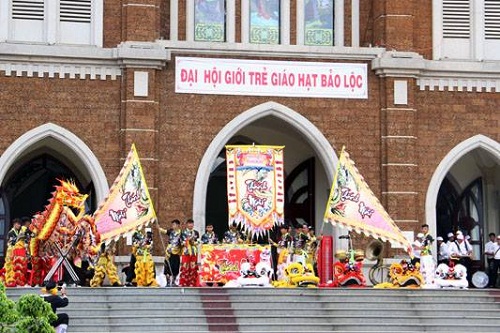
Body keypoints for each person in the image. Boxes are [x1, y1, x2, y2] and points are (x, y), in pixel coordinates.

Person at [161, 219, 182, 286]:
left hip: (176, 252)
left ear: (178, 225)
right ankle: (167, 282)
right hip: (169, 253)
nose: (173, 226)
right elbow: (164, 231)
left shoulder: (181, 233)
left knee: (175, 268)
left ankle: (173, 282)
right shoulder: (171, 232)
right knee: (167, 268)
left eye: (174, 224)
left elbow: (183, 241)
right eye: (172, 224)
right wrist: (158, 228)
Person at [179, 218, 200, 287]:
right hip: (186, 252)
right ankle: (184, 282)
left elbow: (198, 241)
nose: (190, 225)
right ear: (187, 224)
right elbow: (181, 242)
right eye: (189, 224)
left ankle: (192, 283)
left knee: (193, 267)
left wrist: (194, 242)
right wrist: (187, 241)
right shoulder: (183, 232)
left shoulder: (196, 232)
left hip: (193, 252)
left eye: (192, 224)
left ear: (193, 224)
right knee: (185, 267)